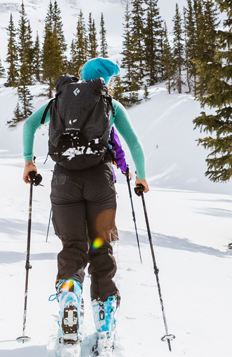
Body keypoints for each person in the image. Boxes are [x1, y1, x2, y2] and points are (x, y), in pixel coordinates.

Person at [21, 57, 146, 342]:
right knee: (101, 246)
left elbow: (29, 125)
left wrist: (29, 163)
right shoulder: (108, 104)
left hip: (63, 181)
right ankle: (104, 314)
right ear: (104, 80)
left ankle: (69, 294)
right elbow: (134, 143)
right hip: (100, 182)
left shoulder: (59, 101)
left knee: (73, 246)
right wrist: (141, 176)